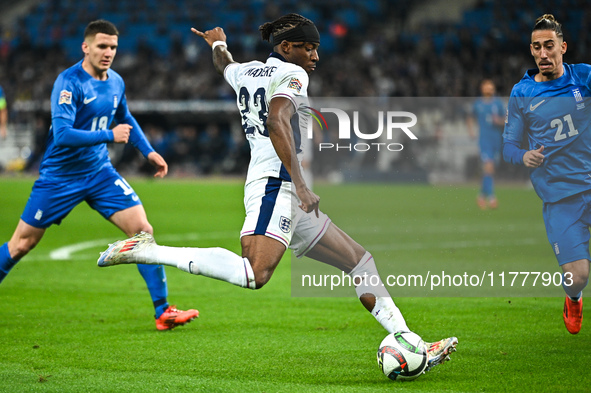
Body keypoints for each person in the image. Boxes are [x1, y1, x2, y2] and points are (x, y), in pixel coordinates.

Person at [98, 13, 458, 369]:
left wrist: (218, 44)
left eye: (316, 49)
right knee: (255, 273)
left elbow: (225, 65)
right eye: (308, 48)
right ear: (286, 47)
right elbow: (276, 119)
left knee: (359, 262)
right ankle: (149, 251)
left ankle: (411, 342)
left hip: (281, 187)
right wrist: (299, 184)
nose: (315, 56)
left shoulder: (248, 71)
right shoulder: (293, 73)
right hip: (277, 184)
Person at [0, 20, 198, 331]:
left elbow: (125, 118)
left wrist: (148, 152)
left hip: (99, 173)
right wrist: (109, 134)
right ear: (86, 47)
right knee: (21, 244)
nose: (108, 53)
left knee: (142, 231)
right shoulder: (68, 83)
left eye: (113, 47)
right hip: (60, 178)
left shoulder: (116, 81)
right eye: (102, 46)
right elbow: (63, 134)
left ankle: (163, 311)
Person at [504, 14, 589, 334]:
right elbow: (509, 146)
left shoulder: (583, 78)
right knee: (577, 275)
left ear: (563, 47)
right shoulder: (522, 93)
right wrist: (523, 155)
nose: (543, 53)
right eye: (537, 47)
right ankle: (574, 297)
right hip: (559, 198)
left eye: (549, 46)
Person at [466, 79, 505, 209]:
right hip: (484, 140)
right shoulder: (478, 104)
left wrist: (498, 120)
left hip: (496, 140)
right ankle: (492, 198)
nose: (488, 90)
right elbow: (470, 117)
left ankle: (481, 196)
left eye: (490, 87)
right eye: (486, 87)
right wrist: (471, 131)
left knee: (490, 170)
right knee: (489, 167)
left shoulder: (498, 104)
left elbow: (506, 120)